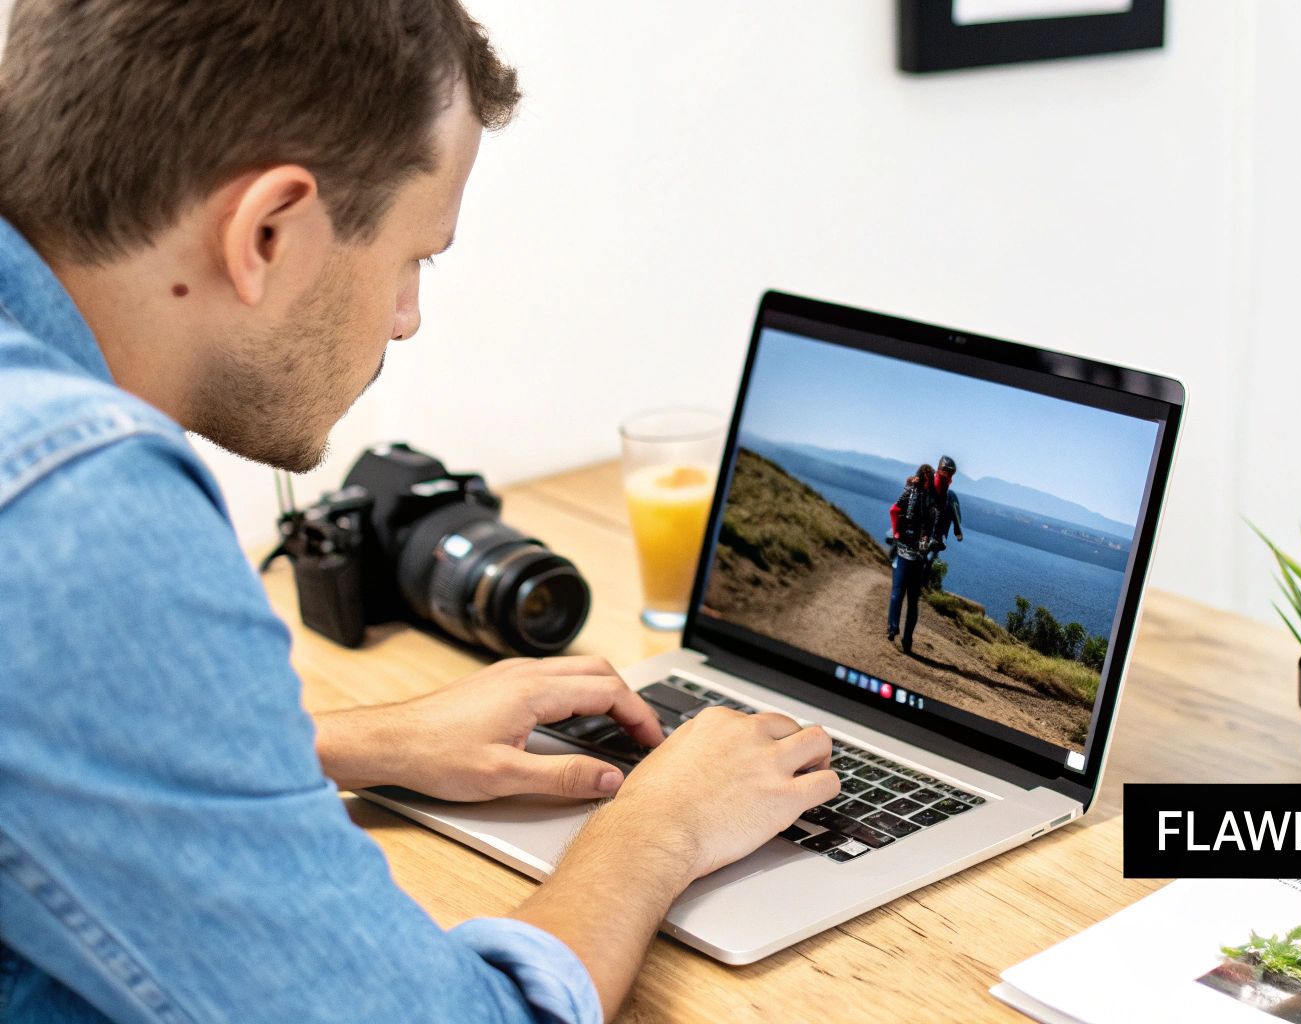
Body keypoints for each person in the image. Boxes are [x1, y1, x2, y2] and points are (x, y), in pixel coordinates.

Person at [0, 3, 838, 1022]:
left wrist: (355, 743)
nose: (407, 318)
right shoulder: (74, 508)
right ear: (268, 230)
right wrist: (658, 831)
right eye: (413, 259)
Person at [886, 463, 939, 653]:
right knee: (911, 600)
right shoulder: (932, 498)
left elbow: (894, 510)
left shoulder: (909, 491)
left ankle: (893, 629)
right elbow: (932, 527)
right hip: (918, 557)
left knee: (898, 592)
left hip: (903, 551)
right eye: (928, 476)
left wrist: (898, 533)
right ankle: (906, 640)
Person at [930, 454, 965, 550]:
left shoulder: (949, 496)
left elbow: (957, 516)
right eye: (944, 473)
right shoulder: (928, 485)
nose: (946, 476)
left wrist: (957, 530)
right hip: (922, 530)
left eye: (949, 474)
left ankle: (940, 536)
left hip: (936, 537)